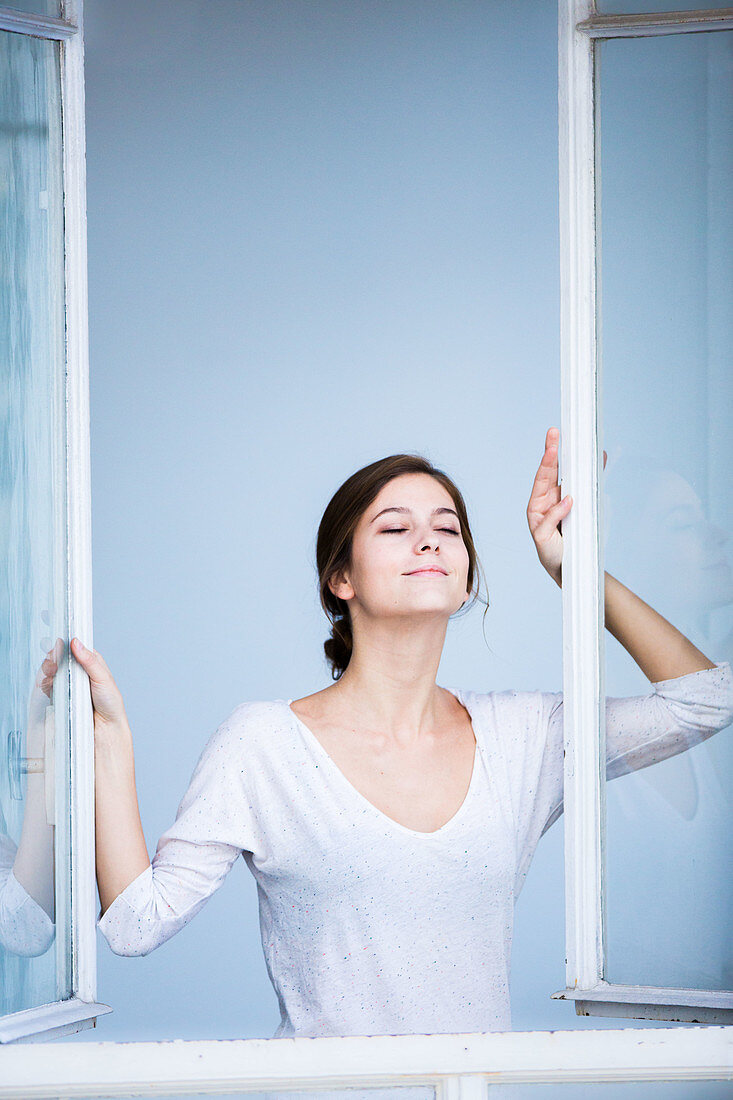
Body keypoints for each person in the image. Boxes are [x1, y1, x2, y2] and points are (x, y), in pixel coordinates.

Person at [71, 427, 733, 1040]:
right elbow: (135, 924)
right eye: (394, 528)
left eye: (447, 528)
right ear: (341, 579)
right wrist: (109, 738)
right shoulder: (262, 743)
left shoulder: (525, 736)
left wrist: (573, 569)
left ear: (466, 572)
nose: (428, 540)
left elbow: (707, 701)